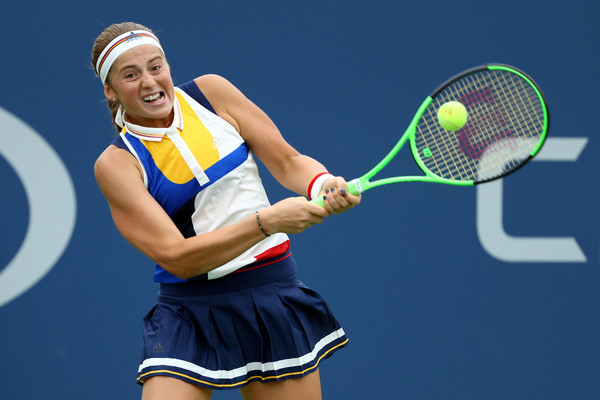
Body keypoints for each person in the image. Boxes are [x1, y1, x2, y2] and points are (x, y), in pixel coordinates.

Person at [91, 22, 361, 400]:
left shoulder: (212, 93)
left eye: (156, 67)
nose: (150, 83)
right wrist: (267, 222)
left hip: (270, 295)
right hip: (188, 314)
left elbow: (287, 161)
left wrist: (322, 183)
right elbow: (179, 259)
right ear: (111, 89)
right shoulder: (117, 164)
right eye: (131, 75)